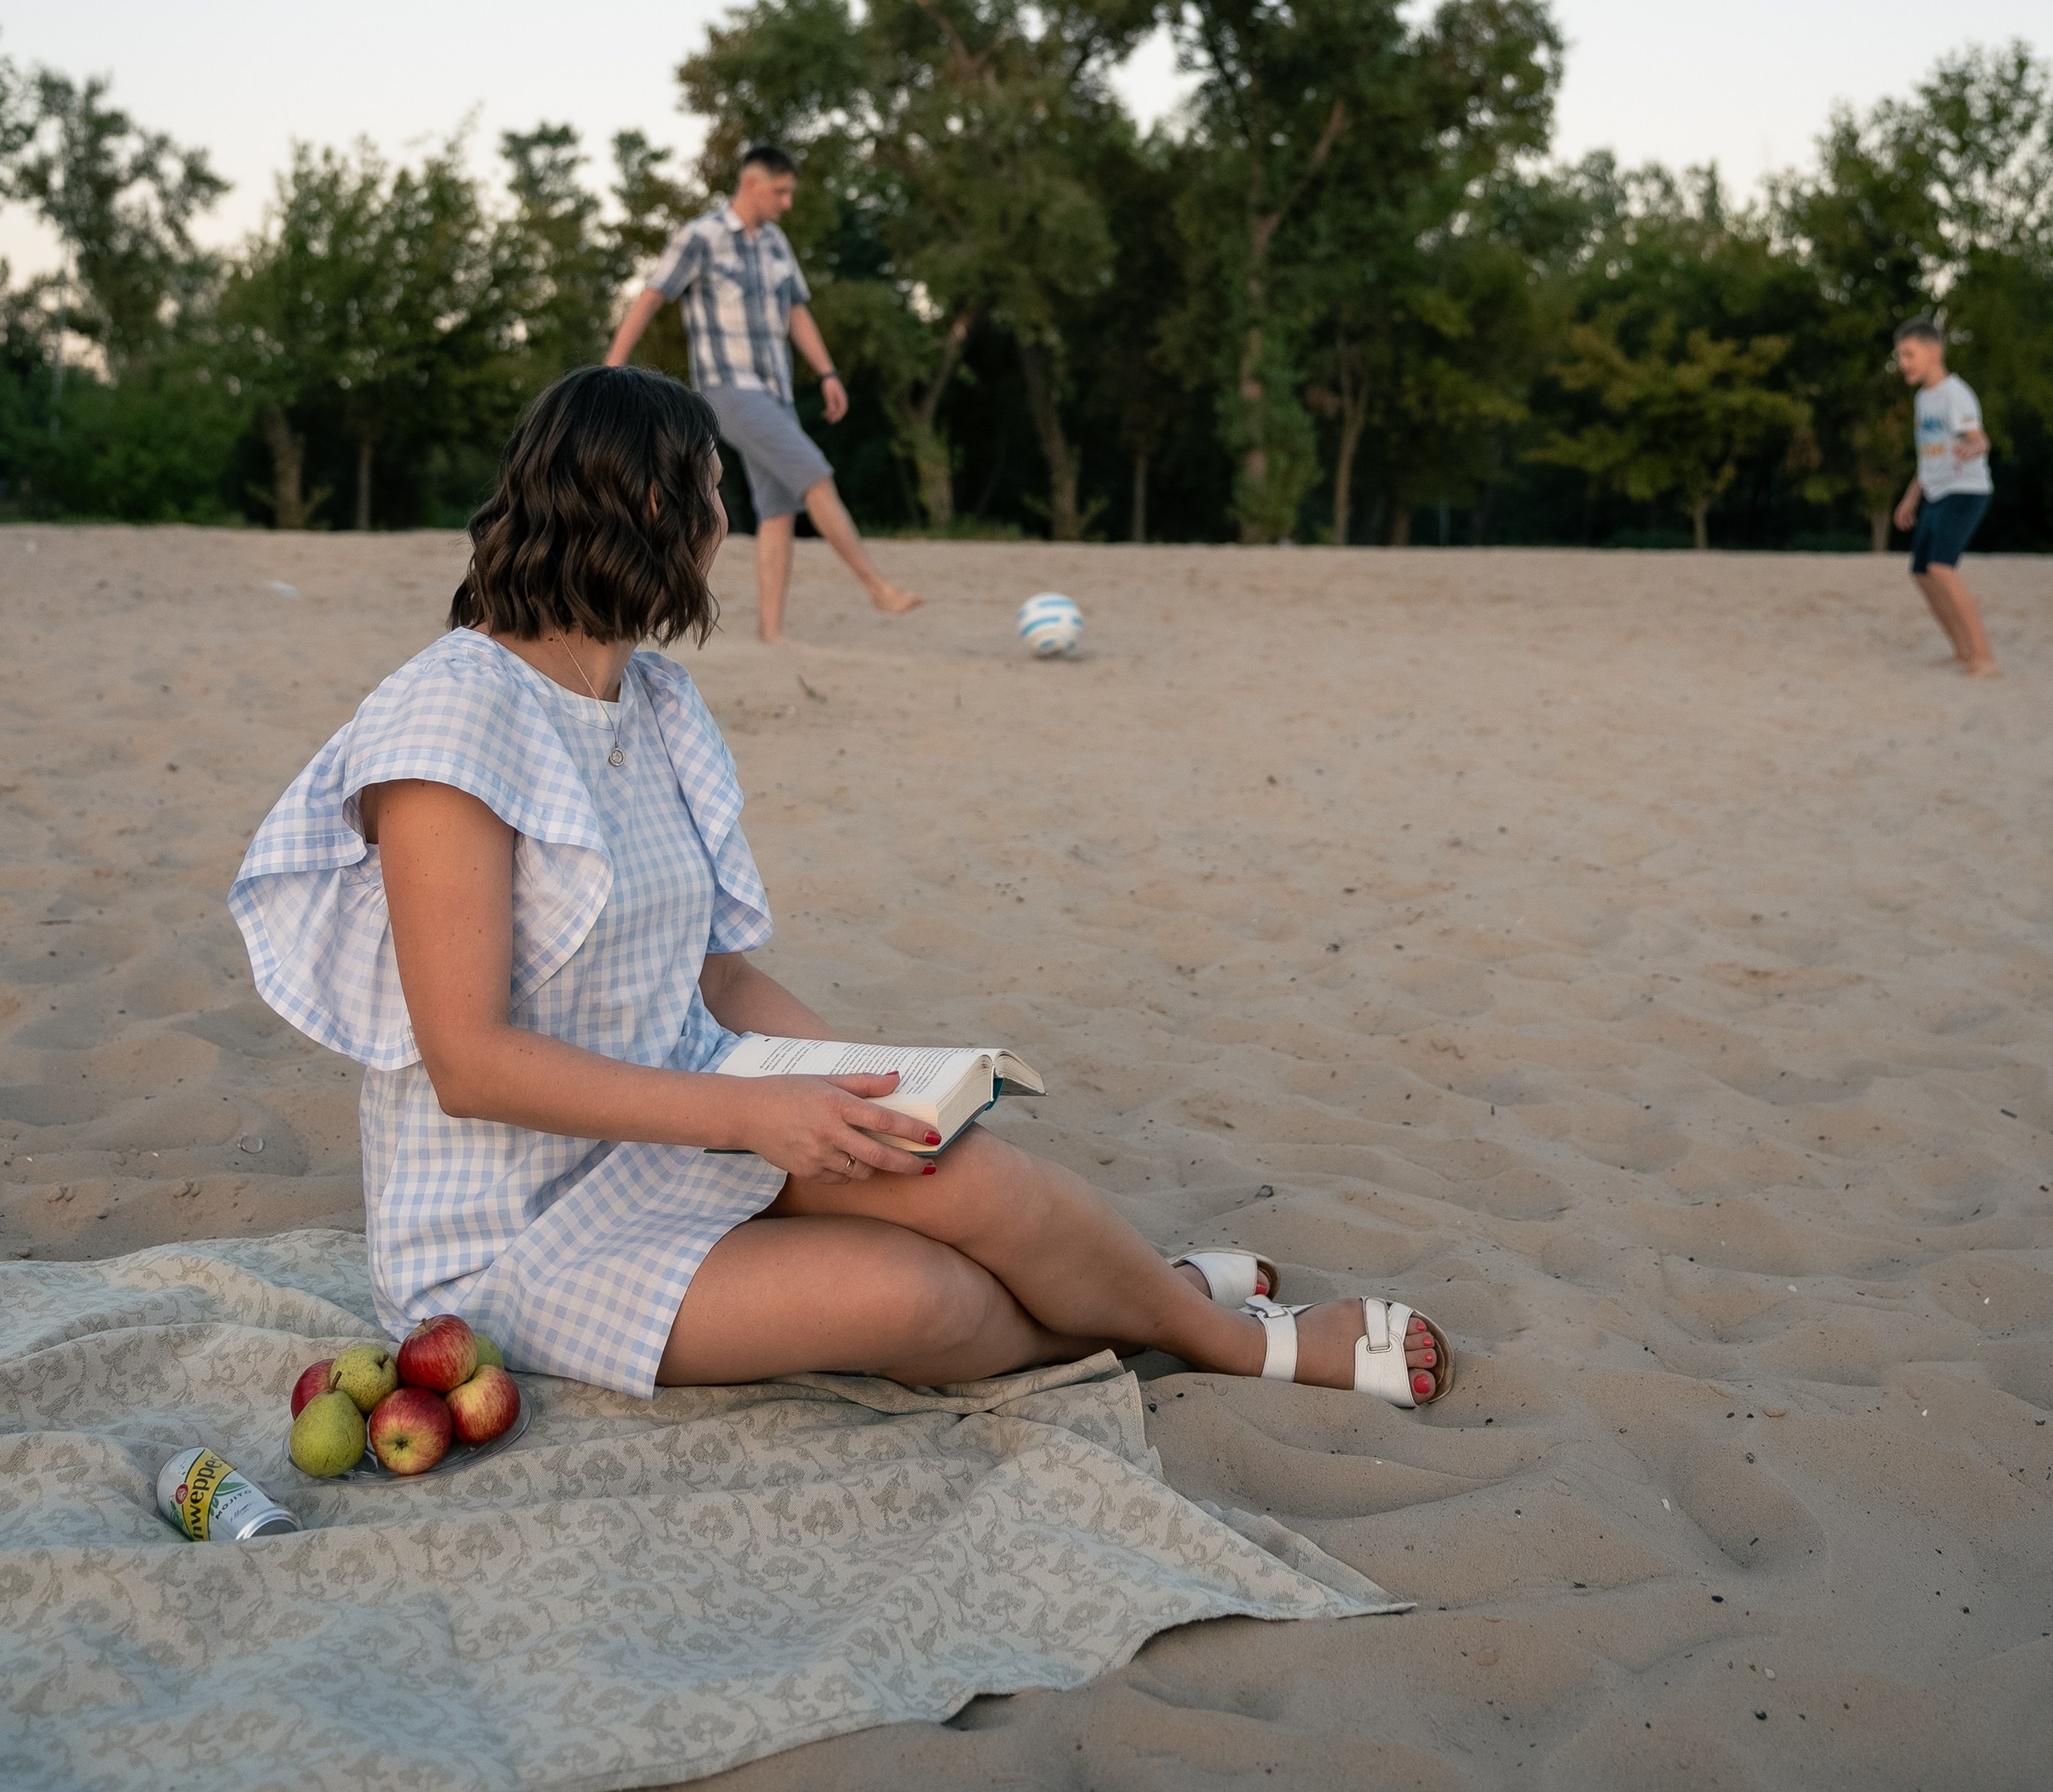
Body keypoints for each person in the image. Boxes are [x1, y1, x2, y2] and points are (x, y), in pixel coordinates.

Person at [230, 366, 1454, 1406]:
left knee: (968, 1177)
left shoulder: (648, 702)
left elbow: (714, 972)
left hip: (678, 1134)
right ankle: (1181, 1323)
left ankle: (1211, 1328)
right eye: (714, 488)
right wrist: (754, 1117)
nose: (728, 514)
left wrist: (878, 1089)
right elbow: (470, 1063)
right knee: (921, 1299)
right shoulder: (449, 716)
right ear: (655, 504)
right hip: (510, 1238)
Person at [606, 143, 918, 643]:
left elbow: (797, 310)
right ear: (751, 184)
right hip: (728, 389)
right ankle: (877, 586)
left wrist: (828, 372)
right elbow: (652, 295)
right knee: (816, 476)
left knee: (778, 510)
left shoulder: (775, 243)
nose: (787, 202)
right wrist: (612, 366)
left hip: (776, 391)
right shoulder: (701, 237)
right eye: (781, 191)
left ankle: (770, 634)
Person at [1890, 317, 1999, 678]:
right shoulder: (1923, 398)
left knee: (1941, 567)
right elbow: (1929, 453)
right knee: (1922, 572)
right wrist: (1910, 497)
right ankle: (1962, 652)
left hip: (1966, 490)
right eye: (1900, 355)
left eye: (1909, 354)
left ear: (1934, 351)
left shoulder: (1956, 394)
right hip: (1935, 492)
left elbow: (1978, 438)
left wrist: (1976, 447)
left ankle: (1984, 658)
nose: (1903, 363)